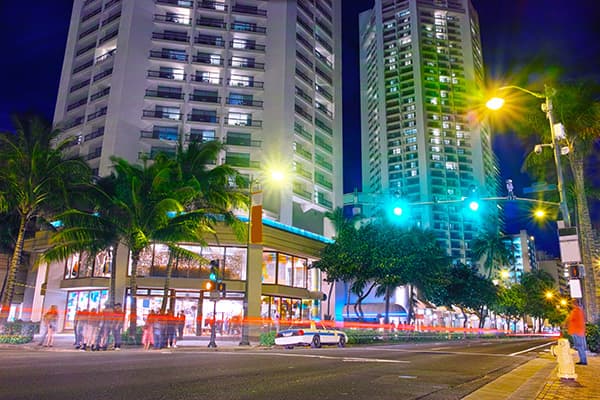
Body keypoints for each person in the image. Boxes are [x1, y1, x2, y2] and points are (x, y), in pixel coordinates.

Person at [566, 300, 588, 365]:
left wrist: (567, 322)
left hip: (577, 331)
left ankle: (583, 361)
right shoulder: (578, 311)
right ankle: (582, 360)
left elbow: (571, 319)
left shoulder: (577, 311)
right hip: (577, 331)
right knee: (579, 346)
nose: (571, 305)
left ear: (575, 303)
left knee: (579, 346)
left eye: (572, 303)